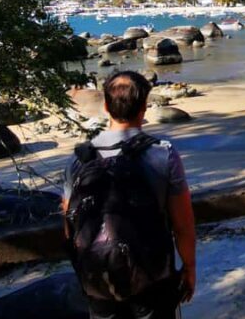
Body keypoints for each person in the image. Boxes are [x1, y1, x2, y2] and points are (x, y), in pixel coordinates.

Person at [62, 71, 196, 319]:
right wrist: (189, 268)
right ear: (144, 107)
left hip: (98, 279)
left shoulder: (78, 159)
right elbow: (183, 225)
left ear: (105, 106)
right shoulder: (163, 155)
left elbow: (69, 225)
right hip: (152, 276)